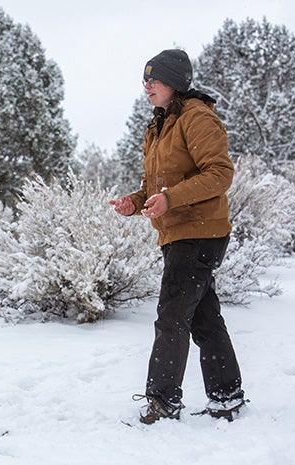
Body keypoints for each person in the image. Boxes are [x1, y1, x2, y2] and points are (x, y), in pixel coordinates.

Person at [109, 49, 245, 424]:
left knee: (172, 316)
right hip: (179, 234)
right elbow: (155, 184)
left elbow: (219, 173)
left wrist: (170, 199)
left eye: (155, 79)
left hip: (199, 232)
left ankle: (162, 401)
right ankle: (226, 395)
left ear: (176, 83)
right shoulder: (158, 125)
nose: (147, 85)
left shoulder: (197, 117)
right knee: (203, 318)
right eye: (145, 79)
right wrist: (134, 203)